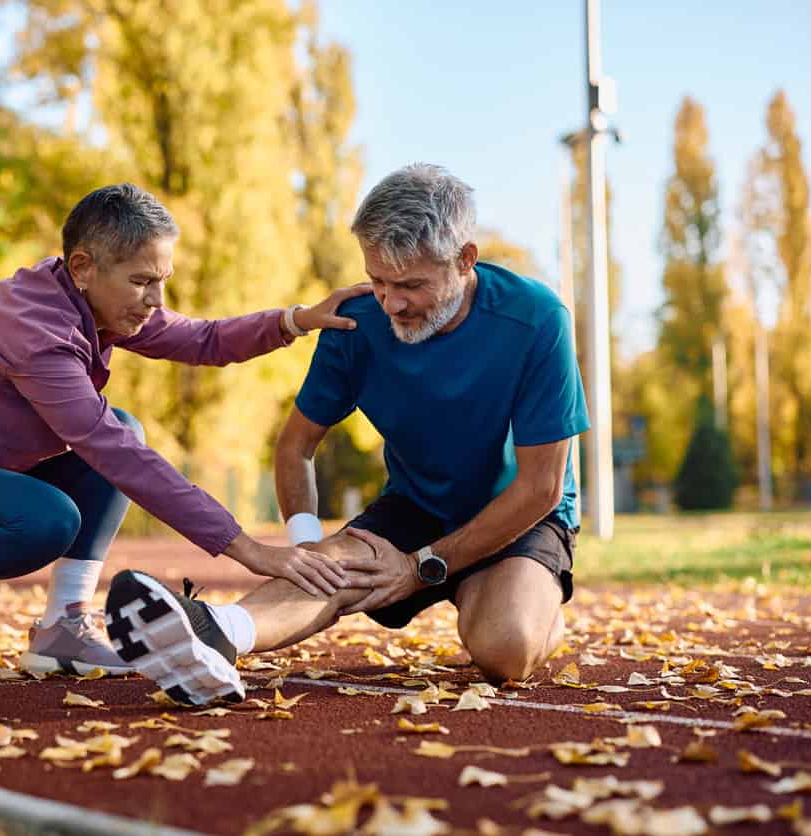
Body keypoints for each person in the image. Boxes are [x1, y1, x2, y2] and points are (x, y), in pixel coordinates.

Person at [0, 183, 368, 682]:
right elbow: (116, 453)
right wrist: (249, 550)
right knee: (50, 514)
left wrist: (296, 320)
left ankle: (63, 629)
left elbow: (202, 339)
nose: (155, 300)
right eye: (141, 281)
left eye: (162, 281)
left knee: (122, 429)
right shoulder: (35, 330)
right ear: (83, 266)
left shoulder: (88, 299)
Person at [104, 164, 589, 705]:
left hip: (516, 513)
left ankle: (531, 604)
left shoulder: (538, 319)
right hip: (416, 506)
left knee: (504, 650)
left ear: (465, 260)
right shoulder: (356, 322)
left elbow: (541, 487)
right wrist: (307, 549)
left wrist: (423, 566)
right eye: (378, 280)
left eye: (410, 285)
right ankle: (215, 631)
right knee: (329, 568)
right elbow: (295, 446)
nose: (391, 303)